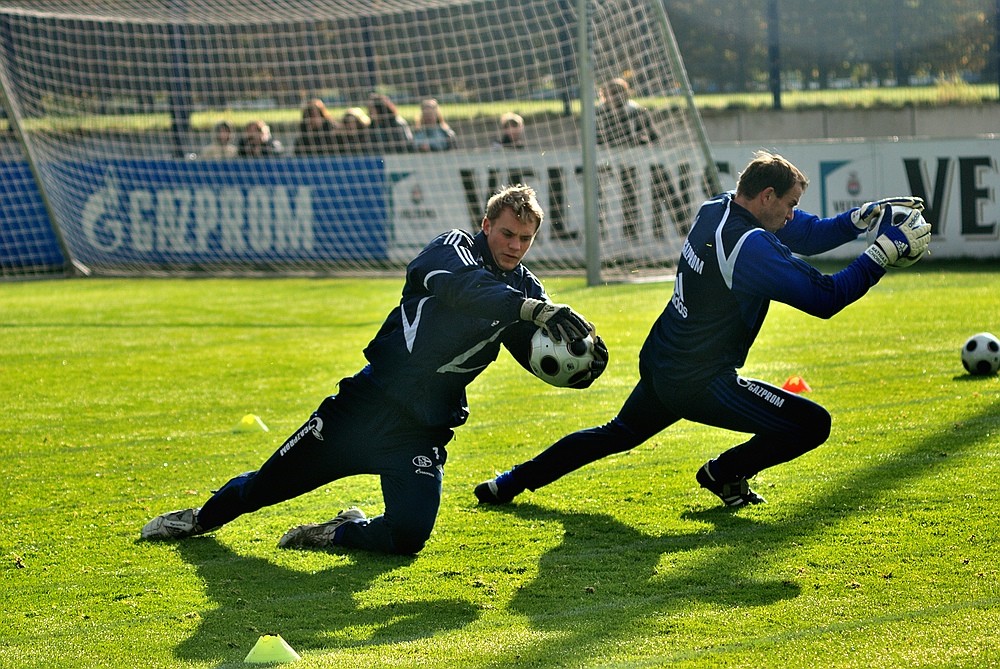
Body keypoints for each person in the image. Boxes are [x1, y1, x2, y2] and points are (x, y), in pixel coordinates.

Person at [141, 184, 609, 555]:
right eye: (507, 233)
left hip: (421, 430)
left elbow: (532, 348)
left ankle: (338, 533)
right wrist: (532, 311)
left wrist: (578, 362)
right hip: (363, 409)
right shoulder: (452, 248)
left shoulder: (526, 290)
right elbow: (464, 289)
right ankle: (197, 520)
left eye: (526, 239)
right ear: (486, 224)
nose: (515, 245)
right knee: (264, 488)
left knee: (408, 537)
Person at [474, 151, 930, 509]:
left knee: (615, 433)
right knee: (811, 425)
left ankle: (509, 482)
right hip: (700, 380)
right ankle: (723, 473)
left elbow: (809, 234)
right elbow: (825, 299)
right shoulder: (748, 247)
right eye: (790, 204)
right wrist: (883, 253)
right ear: (766, 197)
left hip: (664, 359)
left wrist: (863, 217)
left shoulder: (719, 209)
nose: (794, 214)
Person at [595, 77, 658, 147]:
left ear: (625, 93)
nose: (616, 96)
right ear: (604, 95)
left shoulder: (637, 111)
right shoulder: (599, 113)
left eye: (619, 92)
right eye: (612, 93)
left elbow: (654, 136)